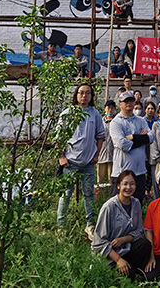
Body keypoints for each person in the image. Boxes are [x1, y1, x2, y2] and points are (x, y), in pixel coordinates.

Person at [57, 83, 106, 240]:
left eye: (87, 93)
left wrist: (96, 155)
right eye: (81, 93)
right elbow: (58, 138)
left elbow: (100, 136)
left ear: (91, 96)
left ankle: (90, 225)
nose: (84, 96)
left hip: (88, 163)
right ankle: (61, 227)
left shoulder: (95, 114)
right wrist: (61, 157)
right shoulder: (67, 113)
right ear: (76, 95)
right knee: (65, 195)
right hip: (70, 163)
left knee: (89, 195)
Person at [92, 170, 153, 280]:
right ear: (119, 186)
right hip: (110, 254)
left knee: (145, 244)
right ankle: (121, 269)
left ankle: (132, 269)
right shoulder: (109, 207)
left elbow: (139, 231)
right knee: (128, 276)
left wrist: (124, 239)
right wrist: (118, 259)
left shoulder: (136, 203)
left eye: (132, 184)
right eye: (125, 184)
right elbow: (98, 242)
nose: (128, 187)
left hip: (127, 248)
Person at [110, 91, 154, 205]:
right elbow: (123, 145)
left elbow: (151, 138)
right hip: (121, 172)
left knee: (137, 204)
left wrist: (133, 137)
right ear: (120, 104)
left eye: (130, 100)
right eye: (125, 101)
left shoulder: (141, 120)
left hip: (139, 172)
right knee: (118, 205)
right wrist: (141, 138)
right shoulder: (116, 122)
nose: (128, 103)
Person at [97, 100, 118, 189]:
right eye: (108, 107)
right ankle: (99, 197)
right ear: (105, 108)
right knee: (100, 178)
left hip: (113, 153)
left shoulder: (117, 122)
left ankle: (110, 195)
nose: (110, 110)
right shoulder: (100, 121)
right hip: (101, 152)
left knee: (112, 177)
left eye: (112, 108)